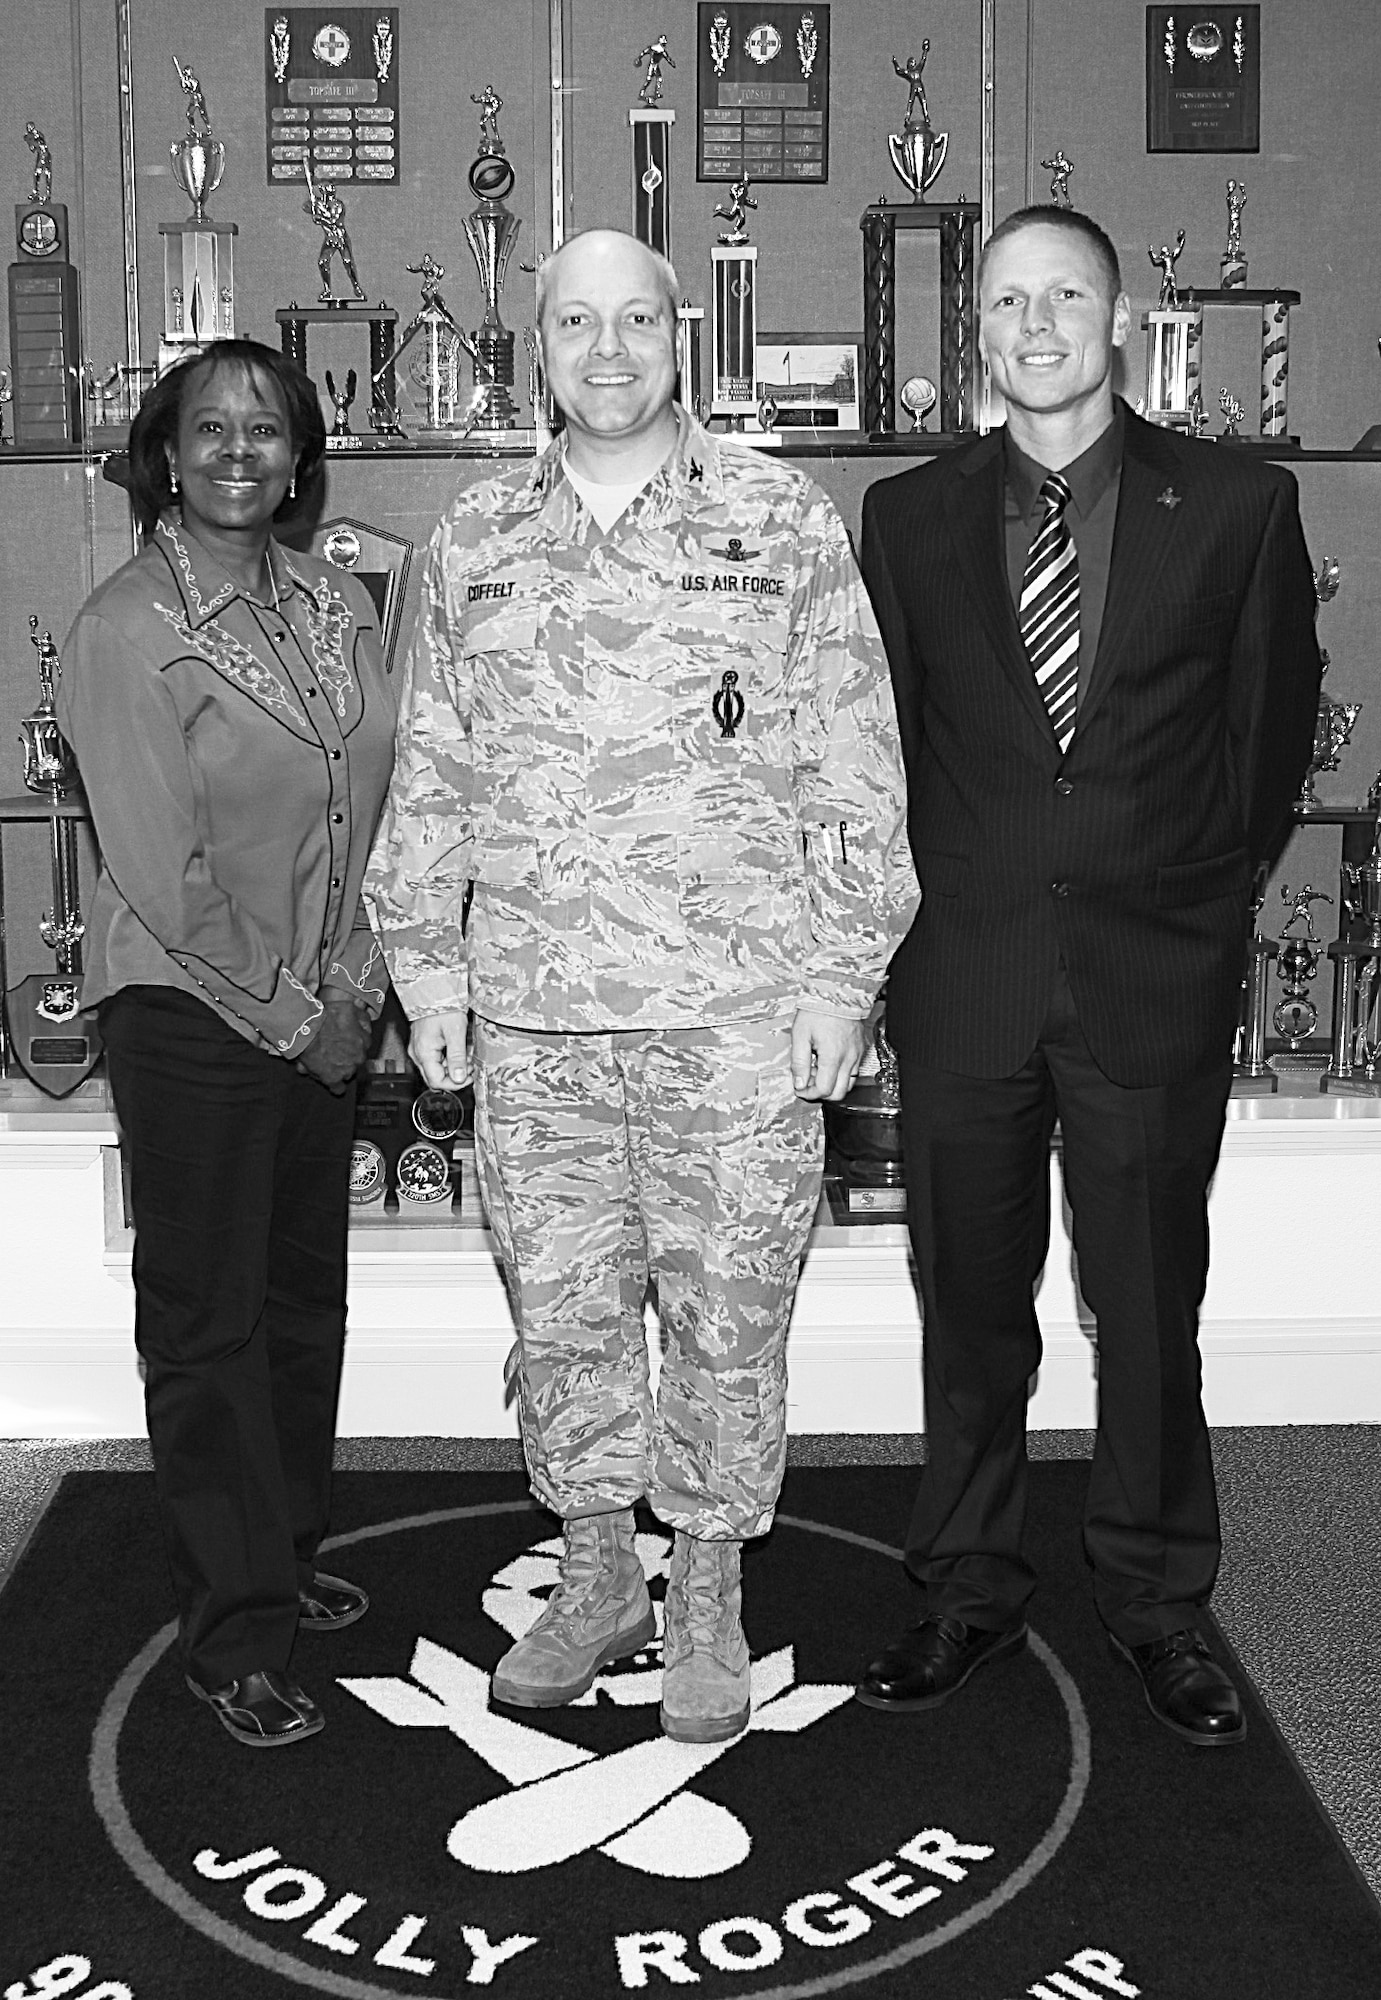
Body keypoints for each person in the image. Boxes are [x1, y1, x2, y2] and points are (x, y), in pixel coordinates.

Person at [368, 228, 916, 1745]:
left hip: (735, 1019)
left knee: (731, 1315)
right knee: (563, 1316)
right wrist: (428, 968)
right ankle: (601, 1572)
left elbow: (852, 764)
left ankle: (714, 1591)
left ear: (682, 334)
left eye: (634, 320)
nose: (605, 349)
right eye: (572, 323)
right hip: (536, 1018)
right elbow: (435, 769)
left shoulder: (777, 520)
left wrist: (842, 973)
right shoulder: (476, 534)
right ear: (532, 347)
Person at [854, 206, 1322, 1745]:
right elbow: (891, 751)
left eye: (1063, 294)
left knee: (1144, 1303)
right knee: (968, 1306)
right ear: (973, 331)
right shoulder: (907, 518)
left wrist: (1197, 902)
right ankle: (967, 1586)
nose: (1033, 322)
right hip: (965, 979)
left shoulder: (1239, 506)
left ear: (1116, 319)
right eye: (1005, 300)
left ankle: (1156, 1603)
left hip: (1148, 981)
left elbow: (1263, 745)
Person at [58, 338, 397, 1747]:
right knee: (208, 1329)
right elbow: (160, 868)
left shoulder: (333, 600)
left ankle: (287, 1553)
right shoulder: (126, 625)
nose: (240, 450)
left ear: (303, 452)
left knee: (301, 1304)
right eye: (212, 428)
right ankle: (232, 1632)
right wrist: (295, 1016)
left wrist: (359, 977)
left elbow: (383, 795)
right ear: (166, 449)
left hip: (326, 1004)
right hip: (198, 1016)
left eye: (268, 426)